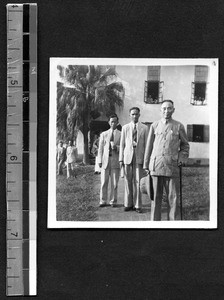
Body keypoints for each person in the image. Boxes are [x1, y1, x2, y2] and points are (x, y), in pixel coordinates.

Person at [143, 100, 190, 221]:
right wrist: (146, 164)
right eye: (164, 108)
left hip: (172, 166)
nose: (166, 111)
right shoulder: (154, 125)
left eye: (169, 108)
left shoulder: (179, 126)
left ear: (173, 110)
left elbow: (185, 146)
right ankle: (155, 225)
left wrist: (181, 158)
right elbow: (149, 146)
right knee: (155, 199)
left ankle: (172, 226)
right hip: (156, 166)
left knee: (173, 198)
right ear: (160, 110)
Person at [119, 107, 149, 213]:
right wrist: (120, 160)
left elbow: (147, 145)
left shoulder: (145, 128)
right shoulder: (125, 128)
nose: (134, 116)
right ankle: (128, 204)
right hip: (128, 157)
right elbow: (122, 144)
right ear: (129, 115)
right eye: (132, 114)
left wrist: (146, 161)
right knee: (127, 181)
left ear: (139, 115)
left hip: (139, 157)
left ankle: (137, 205)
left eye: (136, 114)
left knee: (138, 182)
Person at [98, 114, 121, 207]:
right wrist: (99, 160)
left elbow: (124, 147)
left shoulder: (121, 134)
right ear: (109, 122)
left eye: (115, 121)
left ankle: (113, 201)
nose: (113, 123)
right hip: (105, 161)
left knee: (114, 183)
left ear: (117, 122)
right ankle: (103, 201)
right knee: (104, 182)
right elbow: (100, 149)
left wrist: (117, 147)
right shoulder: (104, 134)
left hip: (115, 161)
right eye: (111, 121)